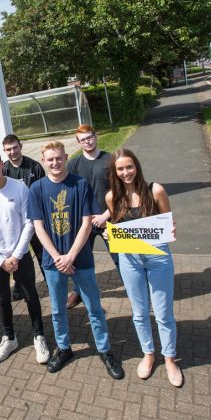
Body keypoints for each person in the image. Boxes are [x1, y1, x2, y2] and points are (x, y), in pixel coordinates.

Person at [27, 141, 124, 379]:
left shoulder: (80, 185)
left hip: (80, 258)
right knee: (58, 308)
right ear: (43, 161)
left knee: (94, 307)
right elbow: (38, 228)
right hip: (53, 262)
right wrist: (58, 257)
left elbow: (86, 223)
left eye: (58, 158)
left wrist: (71, 255)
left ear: (66, 157)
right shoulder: (37, 189)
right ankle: (64, 347)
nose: (55, 163)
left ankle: (104, 349)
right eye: (50, 159)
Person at [105, 148, 182, 387]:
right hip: (130, 260)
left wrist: (171, 229)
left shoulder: (155, 190)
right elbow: (116, 226)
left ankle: (170, 358)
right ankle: (148, 354)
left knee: (163, 313)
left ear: (136, 166)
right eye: (120, 169)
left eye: (129, 167)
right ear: (115, 172)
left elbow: (167, 223)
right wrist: (111, 235)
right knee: (139, 313)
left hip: (158, 257)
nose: (126, 172)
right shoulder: (112, 197)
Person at [0, 149, 49, 364]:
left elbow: (28, 223)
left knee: (31, 295)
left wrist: (16, 254)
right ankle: (9, 337)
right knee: (3, 299)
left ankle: (38, 335)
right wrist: (0, 259)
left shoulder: (19, 187)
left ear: (1, 165)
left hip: (19, 254)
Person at [65, 125, 121, 309]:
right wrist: (85, 218)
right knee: (81, 258)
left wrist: (106, 214)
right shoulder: (73, 164)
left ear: (95, 137)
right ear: (78, 142)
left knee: (120, 257)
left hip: (109, 218)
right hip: (84, 222)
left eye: (90, 137)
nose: (87, 141)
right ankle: (79, 292)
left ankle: (136, 289)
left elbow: (120, 190)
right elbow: (70, 193)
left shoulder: (109, 159)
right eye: (83, 139)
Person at [1, 133, 47, 300]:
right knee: (17, 254)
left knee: (42, 253)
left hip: (34, 219)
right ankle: (19, 285)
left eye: (15, 147)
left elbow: (43, 192)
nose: (12, 152)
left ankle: (50, 281)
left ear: (20, 146)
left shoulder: (34, 167)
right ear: (4, 151)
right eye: (8, 149)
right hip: (14, 222)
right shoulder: (3, 170)